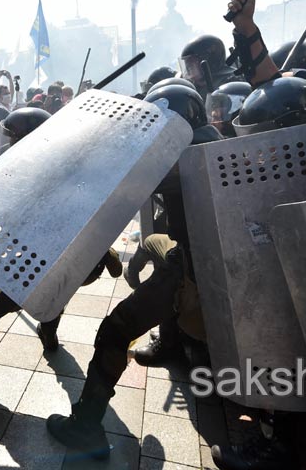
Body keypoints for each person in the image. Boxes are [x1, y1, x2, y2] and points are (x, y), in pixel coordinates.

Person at [45, 86, 212, 459]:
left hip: (193, 270)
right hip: (208, 260)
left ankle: (85, 427)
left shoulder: (180, 157)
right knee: (153, 245)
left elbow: (115, 187)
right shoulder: (211, 141)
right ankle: (172, 344)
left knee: (114, 330)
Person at [0, 107, 123, 386]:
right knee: (55, 294)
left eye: (13, 138)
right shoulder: (70, 165)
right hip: (76, 262)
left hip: (46, 259)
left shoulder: (37, 175)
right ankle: (49, 335)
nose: (8, 144)